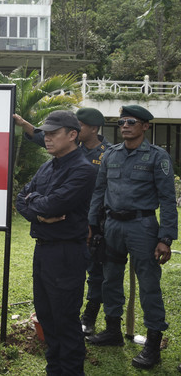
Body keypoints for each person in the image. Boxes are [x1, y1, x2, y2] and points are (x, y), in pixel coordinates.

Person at [87, 105, 178, 370]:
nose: (125, 126)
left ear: (145, 126)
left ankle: (152, 344)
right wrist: (93, 223)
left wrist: (166, 238)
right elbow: (99, 191)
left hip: (143, 227)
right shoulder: (110, 155)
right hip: (112, 225)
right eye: (122, 122)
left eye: (131, 122)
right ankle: (113, 330)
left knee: (149, 285)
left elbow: (168, 200)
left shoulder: (156, 157)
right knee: (110, 278)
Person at [14, 108, 111, 335]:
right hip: (43, 249)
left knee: (65, 320)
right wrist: (39, 214)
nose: (47, 138)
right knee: (46, 317)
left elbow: (52, 205)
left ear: (72, 135)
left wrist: (35, 201)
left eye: (53, 133)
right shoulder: (48, 166)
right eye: (45, 133)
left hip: (66, 253)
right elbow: (21, 200)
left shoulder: (83, 170)